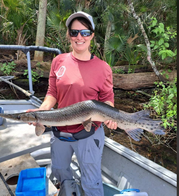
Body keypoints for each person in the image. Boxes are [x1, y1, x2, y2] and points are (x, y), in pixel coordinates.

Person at [26, 11, 117, 196]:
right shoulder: (58, 61)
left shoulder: (103, 67)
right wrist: (41, 112)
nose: (79, 37)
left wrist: (112, 117)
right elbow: (52, 93)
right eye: (74, 32)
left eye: (84, 32)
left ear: (92, 35)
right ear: (69, 35)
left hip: (89, 134)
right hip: (60, 131)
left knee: (91, 183)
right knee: (60, 174)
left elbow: (107, 98)